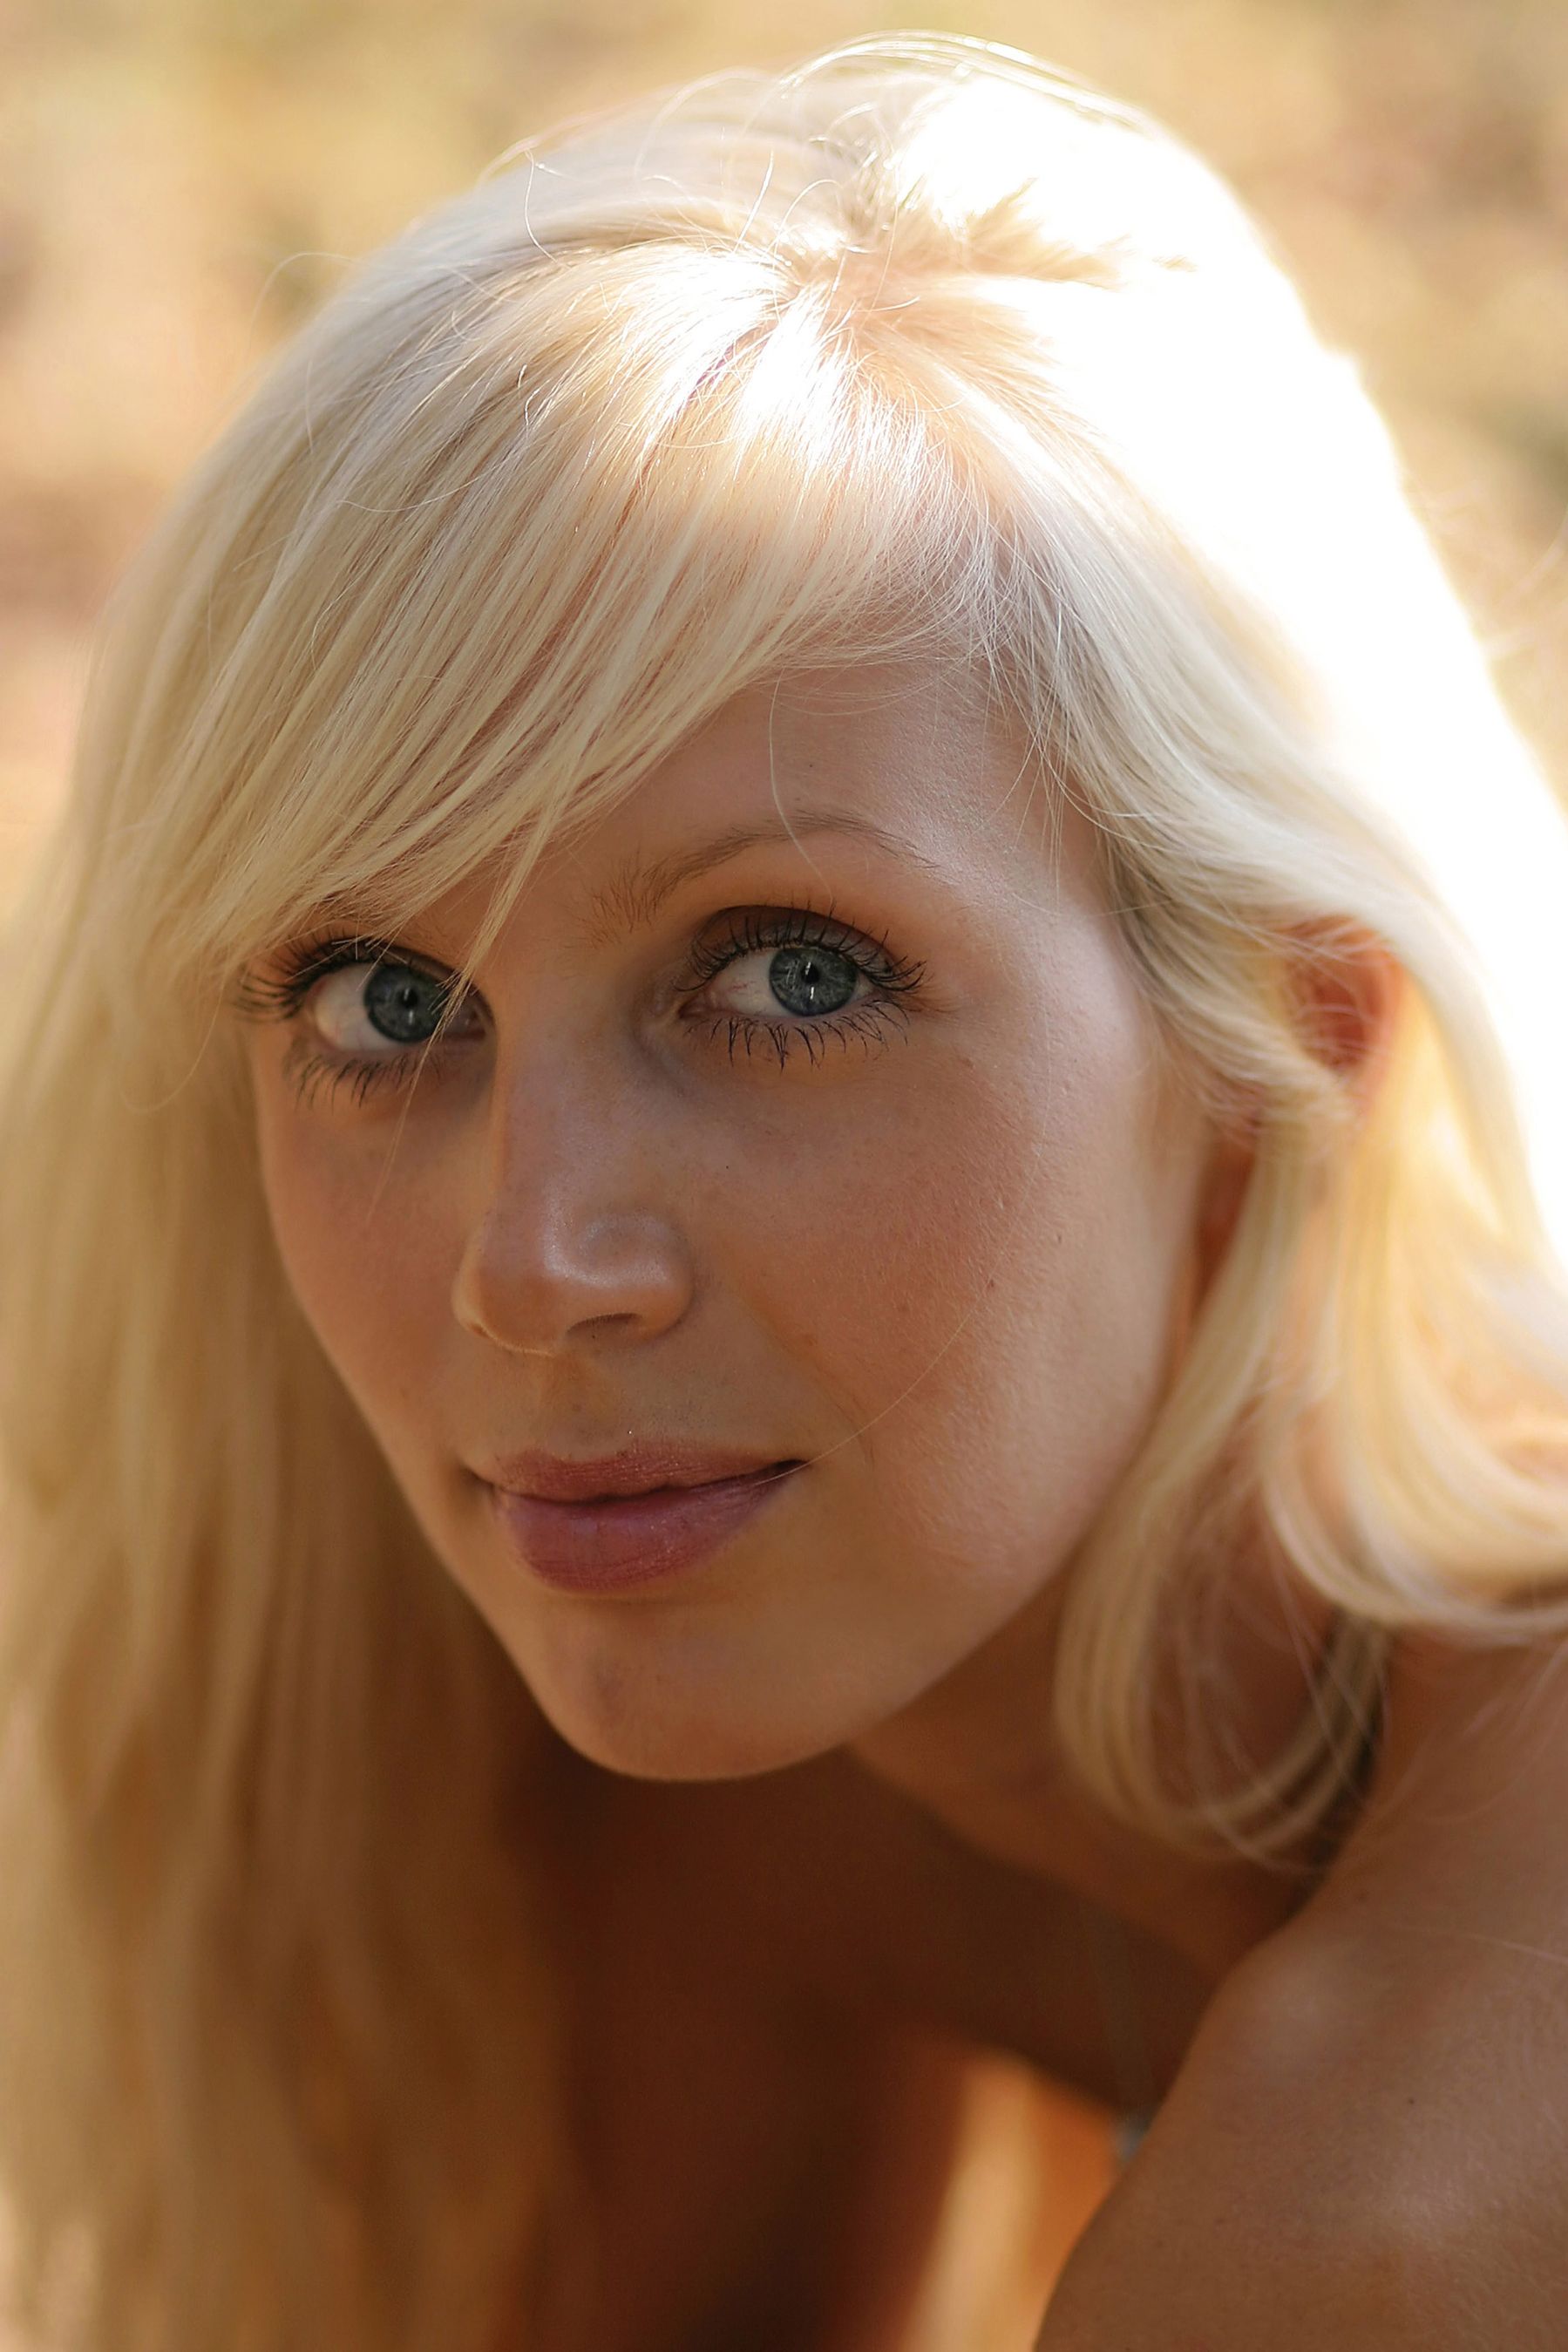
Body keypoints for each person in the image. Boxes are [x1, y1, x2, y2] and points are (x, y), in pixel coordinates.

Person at [2, 30, 1567, 2351]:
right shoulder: (765, 1782)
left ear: (1295, 1037)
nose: (533, 1263)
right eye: (386, 1002)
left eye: (793, 973)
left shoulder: (1391, 2218)